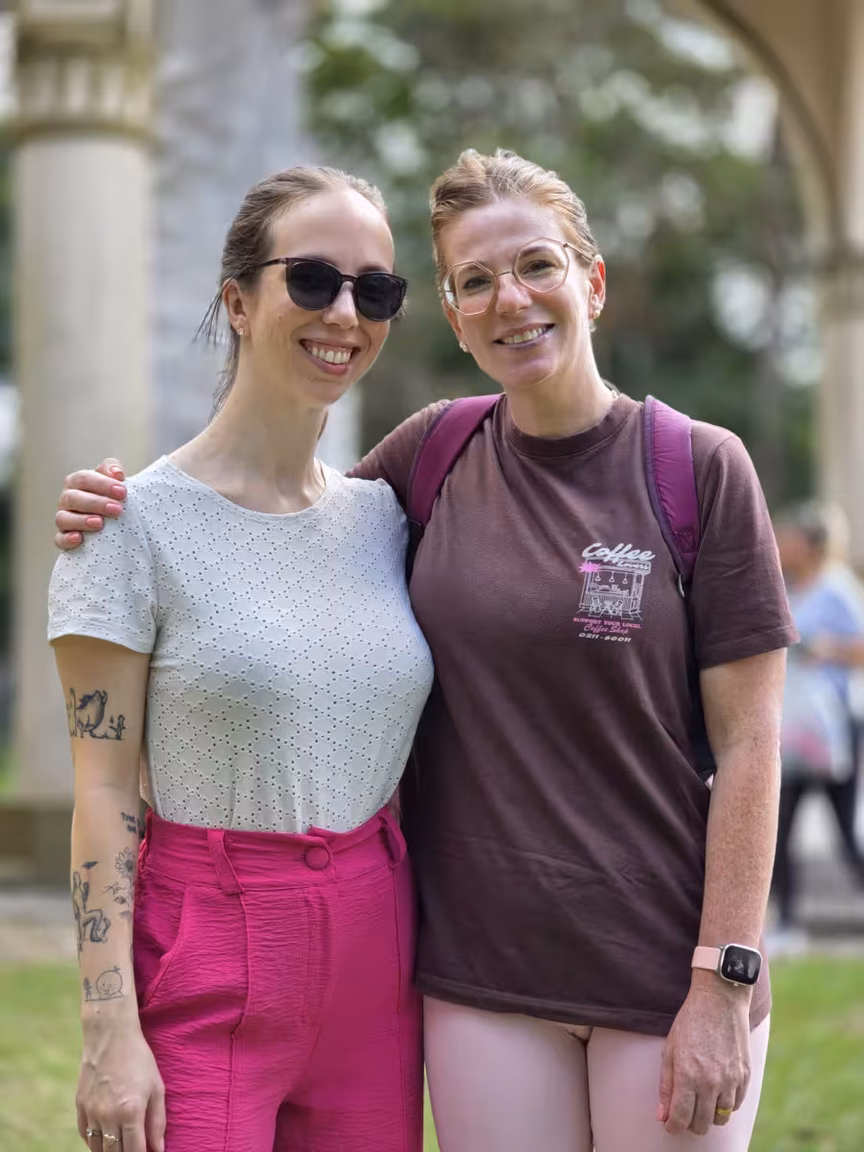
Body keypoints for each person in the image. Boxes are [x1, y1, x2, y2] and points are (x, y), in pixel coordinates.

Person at [54, 148, 796, 1152]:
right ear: (453, 314)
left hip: (644, 965)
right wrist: (114, 509)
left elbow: (752, 745)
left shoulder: (691, 468)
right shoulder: (426, 463)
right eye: (474, 280)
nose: (511, 299)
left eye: (374, 289)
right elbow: (254, 535)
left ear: (593, 281)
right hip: (468, 979)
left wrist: (727, 972)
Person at [48, 166, 434, 1152]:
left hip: (376, 953)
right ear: (237, 302)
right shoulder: (126, 527)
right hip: (205, 949)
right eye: (312, 279)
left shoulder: (387, 518)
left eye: (375, 289)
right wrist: (108, 1026)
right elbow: (104, 791)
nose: (344, 313)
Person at [772, 501, 864, 943]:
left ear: (809, 543)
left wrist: (828, 649)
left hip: (833, 730)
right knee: (778, 828)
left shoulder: (836, 589)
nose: (781, 542)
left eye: (789, 537)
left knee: (845, 830)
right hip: (793, 731)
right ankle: (787, 925)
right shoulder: (788, 587)